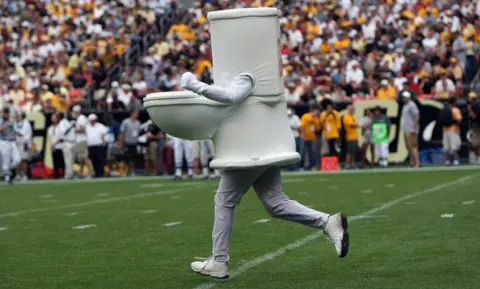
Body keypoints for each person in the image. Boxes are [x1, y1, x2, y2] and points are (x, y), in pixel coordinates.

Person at [180, 71, 348, 279]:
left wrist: (194, 84)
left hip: (250, 150)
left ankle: (219, 260)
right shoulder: (256, 74)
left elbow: (231, 96)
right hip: (262, 146)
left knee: (225, 200)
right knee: (276, 203)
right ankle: (327, 222)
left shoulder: (247, 74)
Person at [0, 108, 21, 184]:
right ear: (2, 113)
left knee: (17, 159)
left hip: (13, 142)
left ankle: (7, 171)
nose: (6, 114)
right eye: (5, 112)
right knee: (6, 161)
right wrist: (6, 125)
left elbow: (15, 130)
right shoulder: (1, 121)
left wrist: (18, 133)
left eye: (7, 113)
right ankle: (7, 178)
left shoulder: (11, 120)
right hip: (4, 142)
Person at [439, 98, 462, 166]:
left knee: (446, 147)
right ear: (454, 103)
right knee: (454, 146)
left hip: (445, 130)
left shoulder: (444, 110)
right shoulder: (455, 110)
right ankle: (455, 161)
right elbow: (459, 120)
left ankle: (447, 161)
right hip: (453, 130)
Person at [72, 105, 93, 178]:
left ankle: (91, 172)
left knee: (85, 157)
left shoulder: (81, 118)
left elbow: (83, 130)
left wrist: (75, 130)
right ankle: (81, 173)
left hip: (82, 140)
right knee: (81, 159)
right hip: (80, 140)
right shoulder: (80, 118)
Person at [401, 91, 420, 168]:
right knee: (409, 147)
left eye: (405, 97)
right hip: (406, 129)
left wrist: (413, 128)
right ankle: (412, 162)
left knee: (413, 146)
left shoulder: (412, 105)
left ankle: (417, 163)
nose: (404, 99)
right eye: (403, 97)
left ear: (409, 97)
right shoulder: (405, 105)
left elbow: (417, 116)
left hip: (411, 129)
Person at [119, 110, 141, 176]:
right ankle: (125, 171)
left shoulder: (138, 123)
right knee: (126, 158)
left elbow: (138, 133)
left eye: (137, 113)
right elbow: (122, 133)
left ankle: (132, 171)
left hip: (135, 143)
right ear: (132, 114)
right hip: (127, 143)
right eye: (135, 113)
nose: (137, 115)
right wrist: (121, 142)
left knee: (134, 158)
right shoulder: (126, 122)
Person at [300, 104, 320, 170]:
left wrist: (315, 120)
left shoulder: (316, 118)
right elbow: (302, 127)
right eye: (316, 110)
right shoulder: (305, 116)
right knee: (302, 152)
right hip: (304, 137)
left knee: (313, 152)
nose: (317, 112)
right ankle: (301, 166)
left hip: (312, 138)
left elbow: (317, 129)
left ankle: (311, 166)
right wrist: (305, 136)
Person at [14, 112, 32, 181]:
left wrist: (13, 129)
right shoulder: (17, 124)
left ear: (22, 116)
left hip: (24, 144)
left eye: (18, 116)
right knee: (17, 160)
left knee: (23, 160)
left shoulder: (26, 124)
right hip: (17, 144)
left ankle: (24, 175)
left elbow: (21, 134)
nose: (17, 117)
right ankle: (18, 174)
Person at [58, 111, 76, 179]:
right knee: (68, 159)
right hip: (66, 142)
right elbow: (64, 132)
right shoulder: (62, 122)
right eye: (69, 114)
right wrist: (71, 126)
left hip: (73, 142)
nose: (70, 115)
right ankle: (68, 175)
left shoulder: (72, 122)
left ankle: (70, 173)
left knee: (72, 159)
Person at [48, 112, 64, 179]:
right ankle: (56, 175)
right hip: (54, 147)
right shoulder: (51, 128)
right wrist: (51, 145)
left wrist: (54, 144)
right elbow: (50, 138)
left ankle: (63, 174)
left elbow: (61, 137)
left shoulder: (61, 126)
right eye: (52, 118)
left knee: (62, 161)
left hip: (60, 146)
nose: (53, 119)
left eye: (54, 118)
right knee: (55, 162)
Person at [342, 105, 359, 169]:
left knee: (353, 152)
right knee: (349, 152)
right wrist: (358, 124)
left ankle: (352, 164)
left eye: (353, 109)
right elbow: (352, 124)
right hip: (350, 136)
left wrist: (357, 124)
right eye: (351, 109)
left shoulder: (352, 116)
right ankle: (347, 164)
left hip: (354, 136)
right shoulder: (347, 116)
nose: (353, 110)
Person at [467, 92, 480, 164]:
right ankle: (476, 158)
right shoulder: (473, 106)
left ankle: (478, 159)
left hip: (477, 128)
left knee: (477, 144)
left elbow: (474, 116)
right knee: (474, 144)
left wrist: (469, 108)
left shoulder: (476, 106)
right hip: (474, 127)